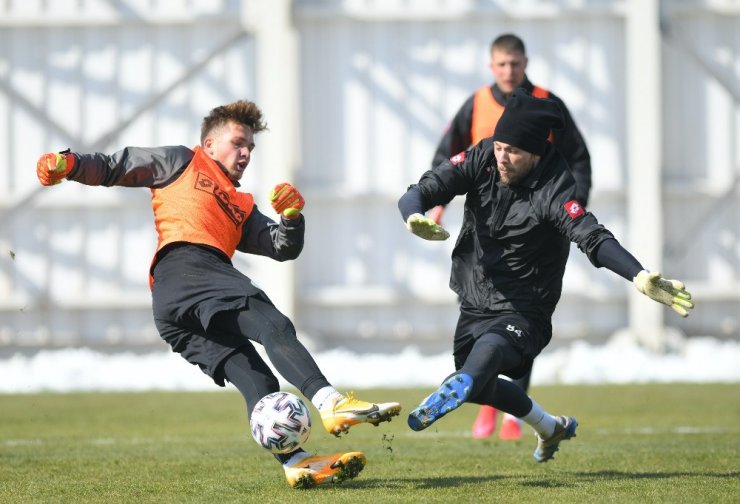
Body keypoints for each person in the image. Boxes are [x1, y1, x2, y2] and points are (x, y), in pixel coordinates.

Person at [36, 99, 402, 489]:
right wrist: (69, 164)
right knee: (272, 323)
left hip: (175, 312)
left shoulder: (241, 204)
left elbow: (281, 247)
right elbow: (117, 165)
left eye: (251, 149)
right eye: (238, 143)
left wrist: (292, 218)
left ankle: (297, 463)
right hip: (187, 268)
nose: (245, 154)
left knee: (260, 382)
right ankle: (330, 402)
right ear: (209, 145)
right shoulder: (181, 161)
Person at [398, 89, 693, 463]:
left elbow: (592, 235)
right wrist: (413, 215)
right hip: (475, 294)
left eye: (513, 152)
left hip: (525, 308)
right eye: (500, 147)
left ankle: (460, 383)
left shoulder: (555, 188)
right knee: (478, 384)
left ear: (535, 154)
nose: (502, 157)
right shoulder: (484, 155)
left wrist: (639, 275)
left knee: (485, 356)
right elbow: (425, 188)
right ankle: (549, 426)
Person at [429, 33, 592, 441]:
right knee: (484, 325)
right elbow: (449, 153)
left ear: (525, 63)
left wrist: (570, 207)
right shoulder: (477, 104)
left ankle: (512, 415)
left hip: (536, 226)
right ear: (491, 66)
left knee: (520, 315)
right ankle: (486, 405)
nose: (508, 71)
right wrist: (436, 201)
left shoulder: (546, 104)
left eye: (514, 64)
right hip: (488, 228)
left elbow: (578, 156)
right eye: (501, 65)